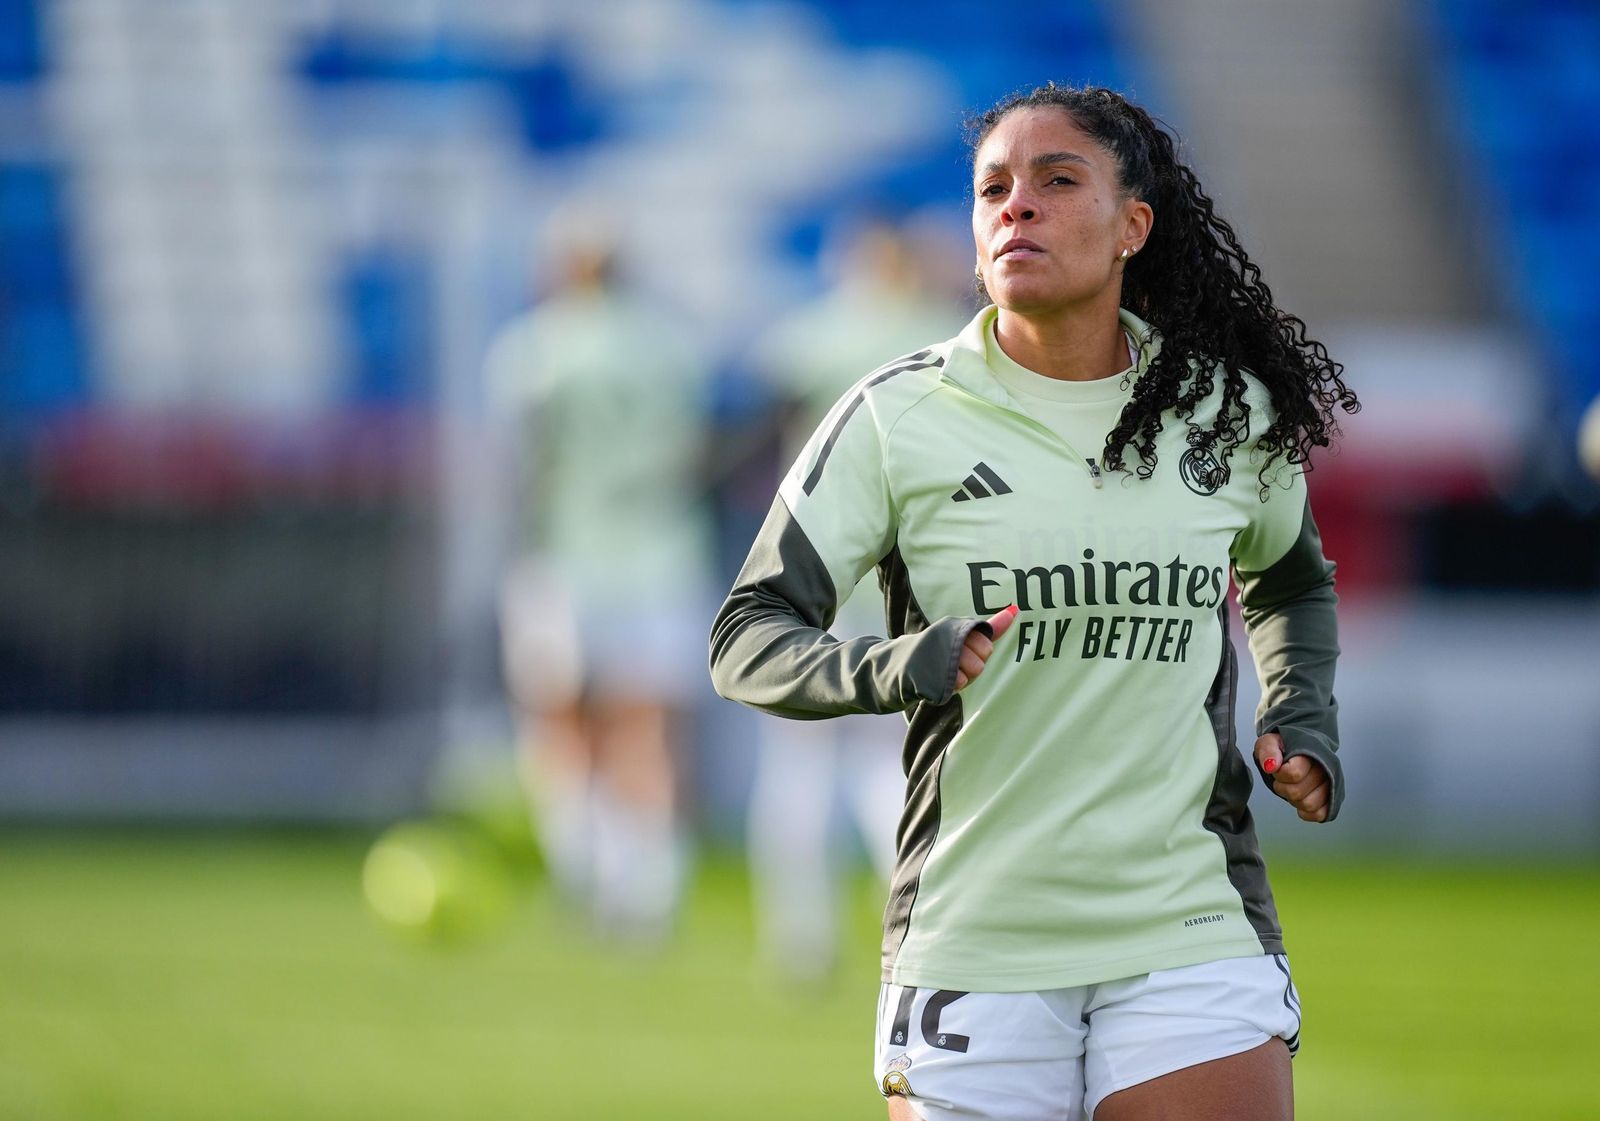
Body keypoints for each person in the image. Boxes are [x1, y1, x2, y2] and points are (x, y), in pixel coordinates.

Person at [709, 83, 1359, 1121]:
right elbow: (747, 636)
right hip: (974, 941)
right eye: (993, 189)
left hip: (1190, 923)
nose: (1017, 205)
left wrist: (1301, 713)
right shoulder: (895, 416)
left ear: (1133, 225)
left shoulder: (1226, 414)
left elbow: (1288, 577)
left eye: (1057, 181)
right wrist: (896, 664)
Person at [744, 219, 965, 982]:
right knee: (894, 765)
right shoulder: (942, 336)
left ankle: (799, 934)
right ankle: (915, 908)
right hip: (910, 579)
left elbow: (768, 434)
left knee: (797, 765)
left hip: (821, 572)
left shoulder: (814, 334)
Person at [486, 231, 713, 943]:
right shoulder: (671, 346)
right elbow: (697, 452)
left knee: (559, 723)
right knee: (646, 725)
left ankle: (581, 869)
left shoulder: (533, 348)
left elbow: (519, 464)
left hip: (566, 557)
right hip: (662, 555)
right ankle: (649, 885)